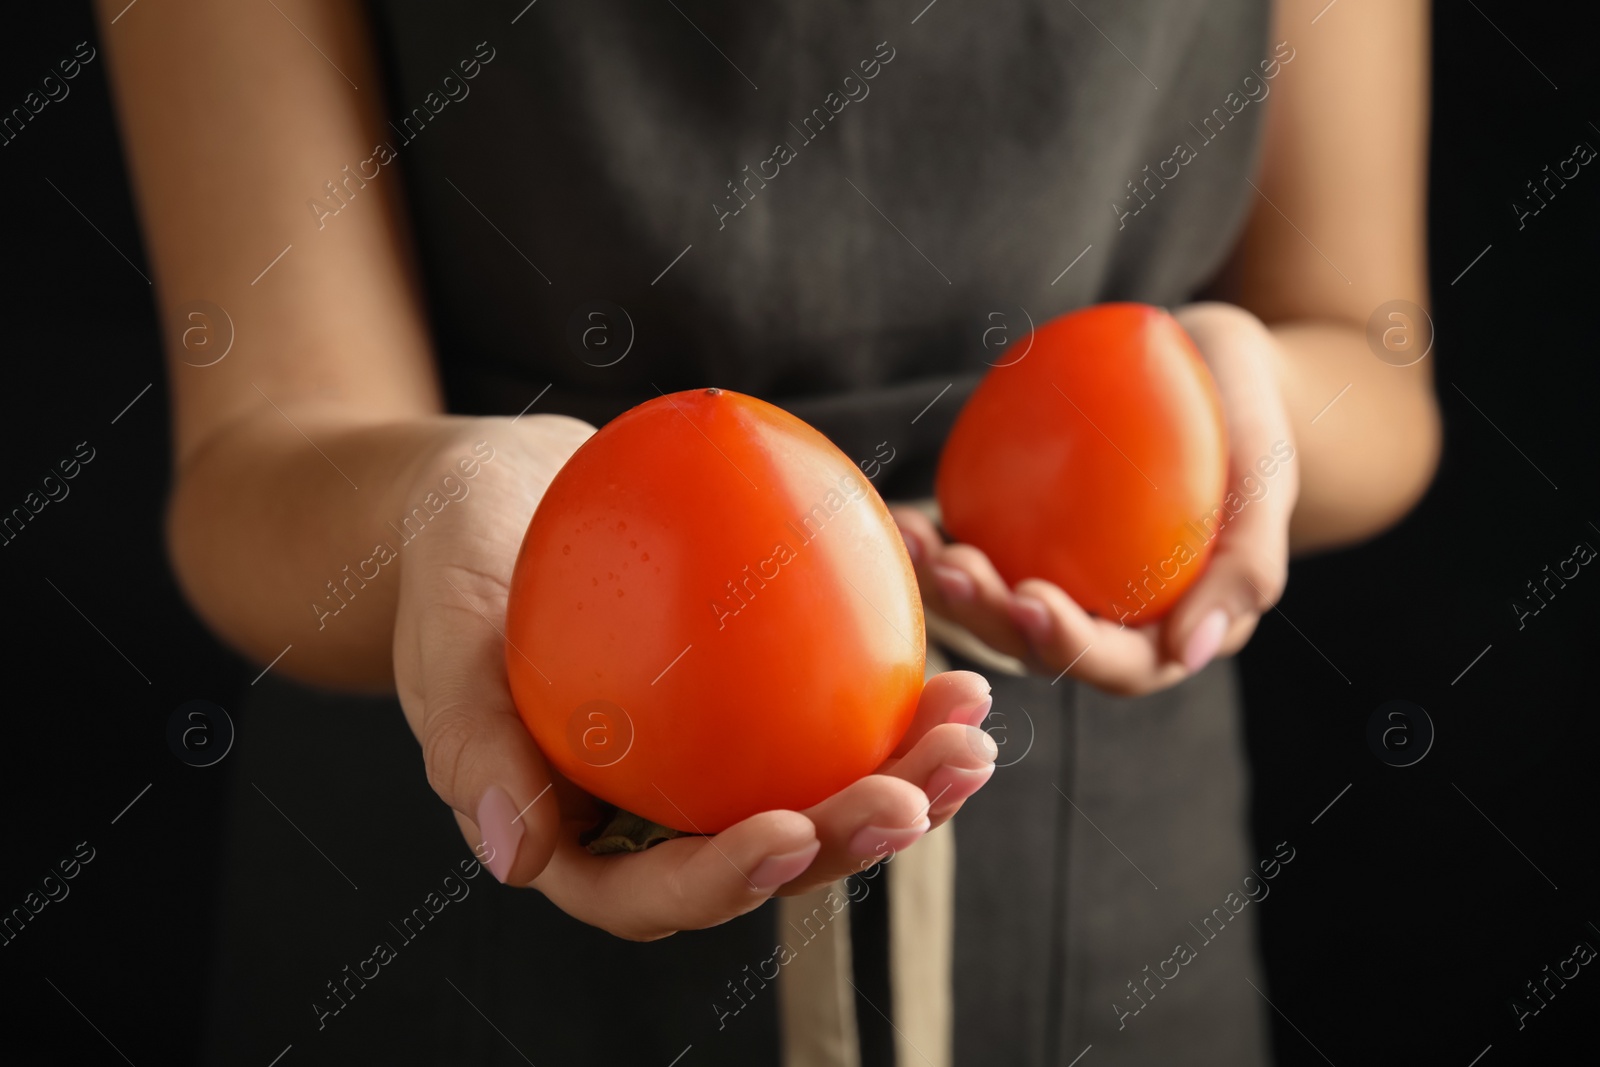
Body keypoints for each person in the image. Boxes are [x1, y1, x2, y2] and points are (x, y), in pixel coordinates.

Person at [98, 0, 1438, 1063]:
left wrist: (1220, 405)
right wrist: (450, 504)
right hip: (467, 880)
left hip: (1111, 903)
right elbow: (253, 457)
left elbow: (1374, 367)